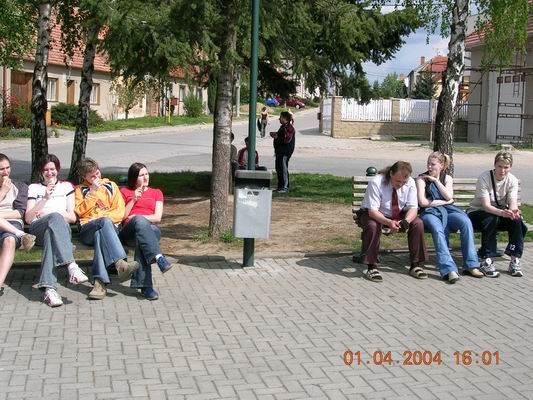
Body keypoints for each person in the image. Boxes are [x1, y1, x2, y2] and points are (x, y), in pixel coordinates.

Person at [25, 154, 88, 307]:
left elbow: (72, 217)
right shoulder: (34, 188)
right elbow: (28, 218)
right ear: (41, 172)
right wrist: (45, 198)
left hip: (60, 230)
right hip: (38, 229)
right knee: (51, 221)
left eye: (52, 169)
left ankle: (49, 290)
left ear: (57, 169)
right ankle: (71, 265)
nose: (49, 173)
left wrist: (52, 214)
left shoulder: (66, 187)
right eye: (45, 170)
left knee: (51, 233)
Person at [74, 158, 139, 300]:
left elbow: (119, 212)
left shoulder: (111, 186)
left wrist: (101, 217)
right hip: (87, 230)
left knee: (100, 233)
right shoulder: (80, 190)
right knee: (101, 225)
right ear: (84, 177)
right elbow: (80, 212)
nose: (97, 177)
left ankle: (99, 283)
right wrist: (93, 192)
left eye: (97, 173)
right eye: (92, 176)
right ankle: (120, 263)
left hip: (109, 229)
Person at [416, 152, 483, 284]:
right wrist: (444, 202)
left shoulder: (447, 178)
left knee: (465, 222)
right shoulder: (421, 179)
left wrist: (436, 181)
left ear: (441, 166)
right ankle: (449, 269)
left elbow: (448, 195)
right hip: (429, 212)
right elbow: (423, 203)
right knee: (437, 228)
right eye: (428, 164)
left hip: (449, 210)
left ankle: (471, 264)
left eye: (433, 164)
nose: (429, 167)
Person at [357, 161, 428, 282]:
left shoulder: (410, 182)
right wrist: (389, 223)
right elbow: (372, 212)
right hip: (372, 213)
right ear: (391, 173)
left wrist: (406, 221)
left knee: (418, 223)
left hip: (397, 213)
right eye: (397, 181)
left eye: (403, 182)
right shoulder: (376, 182)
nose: (400, 185)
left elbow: (413, 208)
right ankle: (371, 266)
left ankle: (415, 265)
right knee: (373, 225)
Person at [468, 151, 527, 277]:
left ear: (510, 167)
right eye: (500, 166)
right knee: (491, 219)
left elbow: (512, 203)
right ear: (495, 165)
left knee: (516, 221)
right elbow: (486, 206)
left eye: (506, 167)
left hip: (500, 214)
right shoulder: (484, 177)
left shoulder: (512, 180)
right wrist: (502, 213)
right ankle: (486, 259)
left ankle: (514, 259)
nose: (502, 170)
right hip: (478, 213)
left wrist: (513, 212)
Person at [119, 163, 173, 300]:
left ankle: (146, 286)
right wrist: (133, 199)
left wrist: (139, 217)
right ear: (134, 178)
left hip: (149, 231)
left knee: (142, 234)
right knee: (139, 224)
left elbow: (157, 217)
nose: (145, 177)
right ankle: (159, 257)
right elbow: (122, 216)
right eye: (141, 175)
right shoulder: (125, 192)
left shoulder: (156, 193)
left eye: (146, 174)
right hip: (129, 232)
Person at [0, 153, 36, 296]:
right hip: (11, 226)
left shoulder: (19, 186)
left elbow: (20, 213)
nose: (6, 172)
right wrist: (3, 191)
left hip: (12, 222)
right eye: (1, 169)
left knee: (9, 240)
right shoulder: (4, 188)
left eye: (7, 168)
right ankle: (21, 235)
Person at [270, 111, 295, 193]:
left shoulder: (289, 128)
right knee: (279, 168)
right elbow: (281, 136)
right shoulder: (283, 127)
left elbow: (286, 139)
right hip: (279, 151)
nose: (279, 119)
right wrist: (275, 135)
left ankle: (285, 187)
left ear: (285, 118)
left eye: (280, 117)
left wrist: (276, 137)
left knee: (283, 169)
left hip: (285, 152)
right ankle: (280, 186)